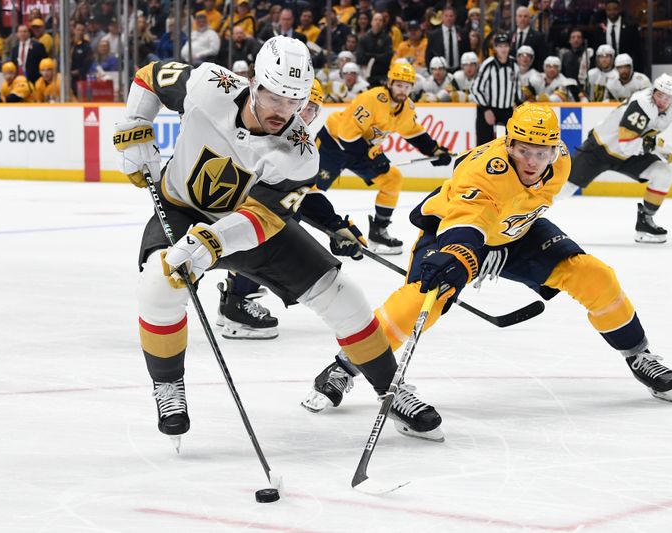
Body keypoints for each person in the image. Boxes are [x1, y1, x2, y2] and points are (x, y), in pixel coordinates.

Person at [113, 36, 437, 446]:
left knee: (344, 295)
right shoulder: (207, 84)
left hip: (247, 224)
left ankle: (391, 389)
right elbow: (148, 77)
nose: (284, 112)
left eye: (295, 101)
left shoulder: (301, 152)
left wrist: (211, 242)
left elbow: (262, 218)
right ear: (253, 83)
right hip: (182, 209)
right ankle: (167, 386)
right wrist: (136, 125)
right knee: (158, 283)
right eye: (275, 96)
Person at [302, 103, 672, 430]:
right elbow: (467, 220)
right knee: (421, 301)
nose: (533, 162)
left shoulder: (562, 161)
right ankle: (344, 366)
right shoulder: (486, 170)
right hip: (455, 231)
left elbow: (526, 204)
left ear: (555, 149)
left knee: (593, 275)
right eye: (523, 151)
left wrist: (502, 240)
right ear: (508, 143)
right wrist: (466, 255)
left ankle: (638, 353)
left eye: (542, 152)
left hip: (516, 232)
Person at [215, 79, 367, 340]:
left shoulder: (296, 142)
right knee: (273, 226)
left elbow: (304, 195)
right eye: (304, 107)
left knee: (280, 219)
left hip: (231, 211)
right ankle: (236, 305)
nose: (305, 115)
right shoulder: (269, 133)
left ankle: (235, 296)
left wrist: (335, 225)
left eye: (312, 109)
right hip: (221, 209)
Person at [312, 62, 453, 255]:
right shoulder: (373, 99)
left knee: (392, 179)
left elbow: (413, 132)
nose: (402, 90)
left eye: (407, 86)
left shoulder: (406, 108)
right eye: (399, 85)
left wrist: (435, 150)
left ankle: (378, 230)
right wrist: (374, 155)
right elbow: (347, 134)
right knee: (310, 189)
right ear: (389, 83)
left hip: (360, 148)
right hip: (334, 143)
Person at [560, 75, 672, 243]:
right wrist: (661, 147)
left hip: (629, 156)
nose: (662, 100)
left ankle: (645, 222)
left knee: (663, 173)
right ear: (653, 91)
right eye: (659, 95)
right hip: (601, 148)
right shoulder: (641, 104)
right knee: (563, 189)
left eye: (667, 97)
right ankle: (528, 218)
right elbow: (627, 143)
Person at [471, 33, 518, 145]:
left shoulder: (514, 64)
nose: (503, 49)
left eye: (505, 46)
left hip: (507, 110)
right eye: (500, 46)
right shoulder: (488, 64)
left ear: (509, 47)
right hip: (488, 108)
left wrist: (519, 104)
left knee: (510, 144)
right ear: (495, 48)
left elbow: (516, 86)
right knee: (484, 145)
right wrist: (486, 109)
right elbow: (475, 88)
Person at [592, 0, 643, 73]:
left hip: (625, 69)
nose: (612, 12)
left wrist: (638, 71)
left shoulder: (630, 26)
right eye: (609, 10)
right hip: (605, 70)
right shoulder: (600, 28)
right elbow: (596, 52)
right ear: (605, 10)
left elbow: (637, 51)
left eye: (615, 9)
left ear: (620, 9)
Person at [425, 6, 469, 73]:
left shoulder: (463, 33)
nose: (449, 18)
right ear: (442, 17)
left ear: (455, 17)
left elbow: (467, 51)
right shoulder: (433, 35)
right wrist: (430, 71)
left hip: (459, 70)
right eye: (446, 16)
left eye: (451, 16)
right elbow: (428, 55)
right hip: (441, 71)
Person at [357, 12, 393, 86]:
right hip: (365, 74)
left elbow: (387, 57)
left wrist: (370, 56)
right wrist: (378, 57)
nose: (378, 22)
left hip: (382, 74)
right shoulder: (364, 38)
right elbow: (360, 58)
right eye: (376, 19)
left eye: (380, 20)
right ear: (371, 22)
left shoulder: (387, 38)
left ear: (383, 23)